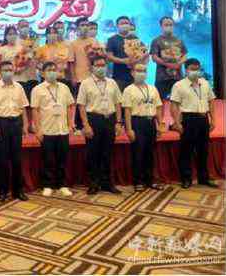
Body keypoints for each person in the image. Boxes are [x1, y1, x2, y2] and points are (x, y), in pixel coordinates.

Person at [77, 56, 123, 195]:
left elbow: (118, 103)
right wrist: (86, 125)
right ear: (92, 67)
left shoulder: (112, 82)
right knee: (93, 153)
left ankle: (107, 183)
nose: (101, 68)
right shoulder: (85, 83)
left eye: (103, 65)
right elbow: (81, 106)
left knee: (107, 153)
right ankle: (94, 183)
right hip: (94, 119)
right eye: (98, 65)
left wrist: (118, 122)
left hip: (109, 119)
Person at [170, 58, 217, 189]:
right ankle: (186, 178)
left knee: (203, 150)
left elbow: (211, 101)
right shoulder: (179, 85)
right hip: (188, 119)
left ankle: (204, 178)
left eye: (197, 69)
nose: (195, 72)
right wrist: (177, 123)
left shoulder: (205, 83)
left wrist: (213, 119)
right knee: (187, 150)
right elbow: (174, 105)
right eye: (192, 69)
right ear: (186, 70)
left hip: (203, 119)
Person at [0, 60, 30, 202]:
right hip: (1, 123)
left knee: (17, 159)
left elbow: (23, 107)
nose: (8, 72)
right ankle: (2, 191)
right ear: (0, 72)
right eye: (5, 70)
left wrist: (25, 125)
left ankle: (18, 191)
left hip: (16, 123)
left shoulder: (19, 87)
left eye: (10, 70)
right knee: (2, 159)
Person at [31, 61, 75, 197]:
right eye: (49, 70)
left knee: (63, 159)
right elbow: (35, 110)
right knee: (48, 160)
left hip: (62, 129)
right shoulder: (37, 89)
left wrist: (70, 124)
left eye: (54, 69)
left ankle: (62, 185)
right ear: (43, 73)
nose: (52, 72)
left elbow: (70, 106)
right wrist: (38, 129)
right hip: (47, 130)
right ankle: (48, 185)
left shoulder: (64, 88)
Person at [122, 63, 165, 192]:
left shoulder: (152, 88)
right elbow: (127, 111)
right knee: (138, 153)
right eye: (138, 70)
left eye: (144, 71)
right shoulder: (128, 89)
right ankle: (138, 181)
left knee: (150, 152)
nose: (141, 73)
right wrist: (129, 129)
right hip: (137, 122)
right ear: (132, 73)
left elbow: (158, 107)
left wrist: (160, 124)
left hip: (150, 122)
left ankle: (150, 180)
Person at [150, 16, 188, 121]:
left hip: (177, 76)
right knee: (159, 101)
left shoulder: (179, 40)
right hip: (162, 76)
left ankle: (177, 122)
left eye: (170, 24)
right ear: (161, 26)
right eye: (166, 25)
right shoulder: (156, 41)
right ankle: (160, 123)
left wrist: (179, 63)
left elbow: (185, 55)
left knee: (177, 101)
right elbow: (154, 57)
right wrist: (167, 64)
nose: (169, 27)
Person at [106, 16, 149, 92]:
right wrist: (123, 61)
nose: (125, 25)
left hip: (136, 76)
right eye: (122, 23)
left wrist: (142, 58)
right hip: (119, 76)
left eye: (126, 23)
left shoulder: (136, 39)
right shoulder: (112, 40)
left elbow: (145, 54)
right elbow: (109, 57)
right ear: (117, 26)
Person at [17, 19, 39, 102]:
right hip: (19, 77)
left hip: (32, 77)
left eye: (26, 26)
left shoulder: (34, 40)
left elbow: (37, 56)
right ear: (18, 28)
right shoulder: (15, 41)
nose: (25, 28)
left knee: (32, 102)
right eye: (22, 26)